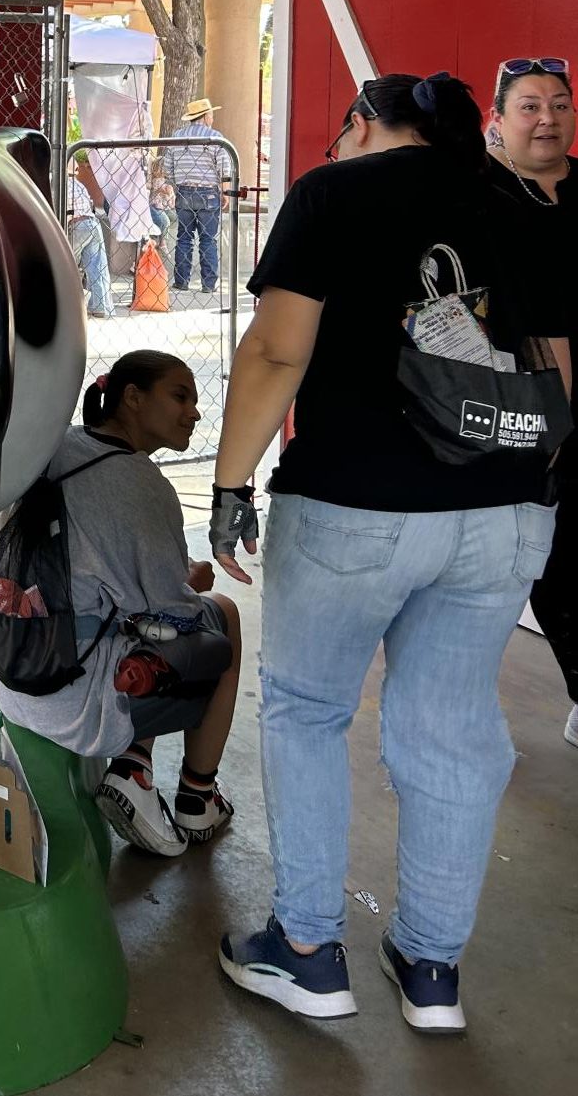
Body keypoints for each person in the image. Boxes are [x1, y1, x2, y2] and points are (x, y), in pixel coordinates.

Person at [209, 72, 566, 1035]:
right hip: (504, 510)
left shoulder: (331, 193)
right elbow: (557, 367)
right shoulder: (514, 200)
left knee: (308, 710)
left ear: (366, 124)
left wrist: (232, 483)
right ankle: (430, 967)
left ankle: (309, 948)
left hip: (352, 503)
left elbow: (277, 351)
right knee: (449, 727)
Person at [0, 350, 241, 858]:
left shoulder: (55, 445)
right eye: (180, 395)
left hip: (10, 674)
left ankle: (135, 768)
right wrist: (188, 579)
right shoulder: (144, 488)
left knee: (128, 613)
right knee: (220, 617)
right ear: (132, 397)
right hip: (71, 699)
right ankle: (197, 794)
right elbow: (176, 612)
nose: (194, 412)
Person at [486, 56, 578, 749]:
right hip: (516, 412)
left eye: (557, 102)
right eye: (527, 104)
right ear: (498, 117)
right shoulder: (482, 194)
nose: (545, 115)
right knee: (534, 560)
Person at [163, 98, 230, 293]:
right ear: (206, 116)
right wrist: (225, 191)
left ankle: (181, 281)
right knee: (208, 239)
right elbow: (223, 167)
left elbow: (169, 166)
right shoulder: (216, 137)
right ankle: (208, 284)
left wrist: (174, 186)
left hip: (184, 191)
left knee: (184, 238)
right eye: (211, 114)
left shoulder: (177, 137)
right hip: (208, 192)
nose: (212, 117)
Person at [68, 152, 114, 321]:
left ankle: (68, 302)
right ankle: (99, 306)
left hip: (77, 225)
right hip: (92, 223)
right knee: (96, 266)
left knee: (67, 263)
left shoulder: (58, 184)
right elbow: (90, 203)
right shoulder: (79, 185)